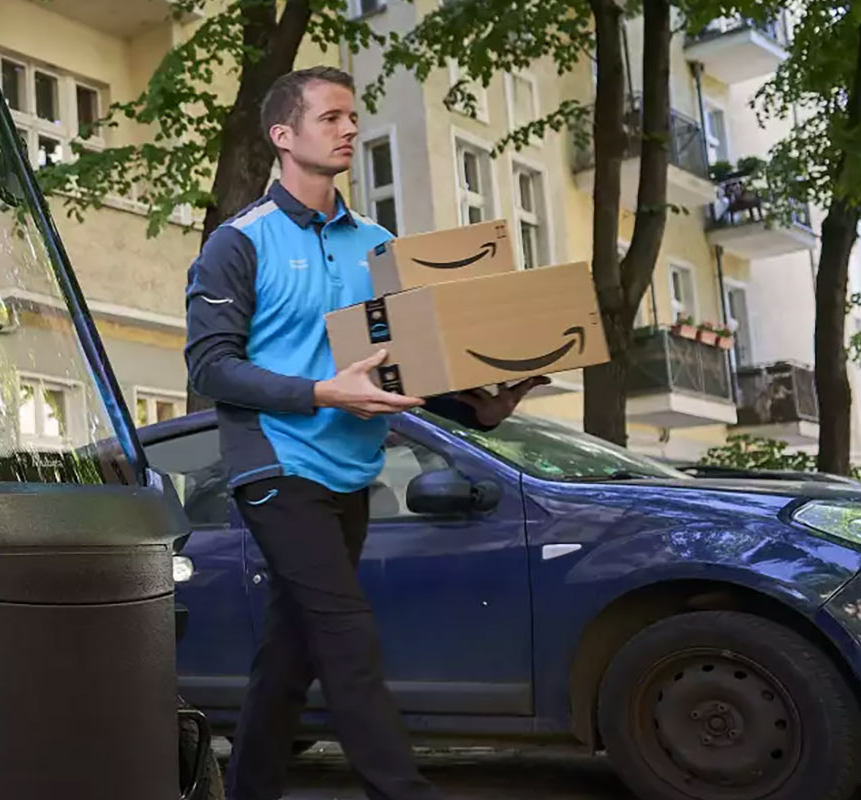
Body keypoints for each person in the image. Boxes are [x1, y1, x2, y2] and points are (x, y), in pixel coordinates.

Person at [182, 66, 547, 800]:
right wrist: (320, 391)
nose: (350, 129)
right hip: (275, 465)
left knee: (290, 653)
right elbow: (211, 366)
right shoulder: (238, 242)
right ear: (284, 137)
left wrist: (478, 410)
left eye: (354, 118)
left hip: (349, 470)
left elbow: (408, 357)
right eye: (332, 118)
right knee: (349, 641)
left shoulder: (380, 245)